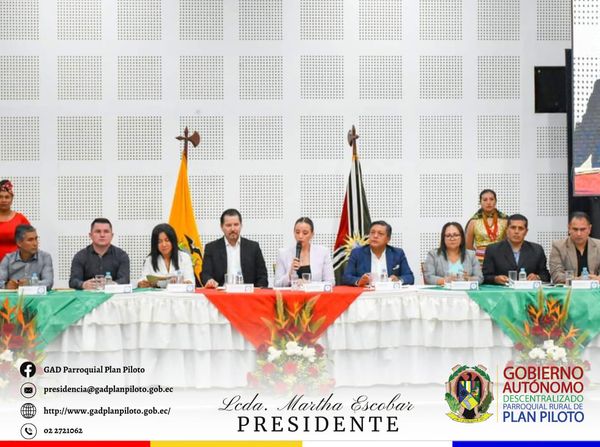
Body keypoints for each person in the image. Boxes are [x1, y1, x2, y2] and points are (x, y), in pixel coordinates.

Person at [201, 209, 268, 288]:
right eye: (228, 225)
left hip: (247, 293)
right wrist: (209, 281)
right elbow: (205, 274)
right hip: (221, 292)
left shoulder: (253, 247)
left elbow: (262, 276)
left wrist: (257, 290)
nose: (233, 229)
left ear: (241, 225)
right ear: (221, 227)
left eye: (236, 225)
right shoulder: (211, 248)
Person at [482, 214, 550, 284]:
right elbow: (485, 276)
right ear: (507, 230)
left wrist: (537, 277)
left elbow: (546, 276)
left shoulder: (537, 250)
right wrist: (495, 279)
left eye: (521, 228)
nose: (516, 232)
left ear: (526, 232)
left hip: (528, 290)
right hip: (503, 289)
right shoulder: (493, 249)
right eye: (513, 228)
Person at [342, 220, 414, 286]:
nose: (375, 236)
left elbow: (409, 277)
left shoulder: (397, 253)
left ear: (388, 239)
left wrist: (398, 280)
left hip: (389, 293)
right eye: (372, 232)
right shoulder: (357, 253)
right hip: (366, 293)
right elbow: (346, 277)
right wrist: (359, 281)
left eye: (380, 234)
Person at [69, 218, 130, 290]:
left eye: (106, 231)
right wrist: (83, 285)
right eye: (98, 231)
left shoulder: (122, 255)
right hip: (88, 296)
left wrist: (112, 285)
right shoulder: (80, 256)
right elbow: (73, 281)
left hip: (113, 295)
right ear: (90, 235)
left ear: (112, 235)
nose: (102, 235)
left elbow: (125, 279)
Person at [274, 217, 334, 287]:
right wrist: (290, 274)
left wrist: (308, 284)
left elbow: (330, 282)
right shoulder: (283, 253)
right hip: (291, 293)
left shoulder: (323, 252)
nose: (300, 236)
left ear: (312, 234)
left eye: (305, 233)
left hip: (314, 293)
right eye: (297, 232)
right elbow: (277, 284)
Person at [138, 223, 195, 288]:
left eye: (167, 240)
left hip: (179, 293)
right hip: (157, 294)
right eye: (159, 242)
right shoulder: (149, 260)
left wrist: (187, 283)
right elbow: (142, 279)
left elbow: (190, 280)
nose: (164, 245)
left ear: (173, 241)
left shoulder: (184, 257)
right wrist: (143, 284)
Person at [549, 211, 600, 283]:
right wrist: (578, 280)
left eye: (583, 229)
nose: (579, 234)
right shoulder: (558, 246)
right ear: (569, 228)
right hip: (570, 289)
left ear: (589, 229)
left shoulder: (598, 245)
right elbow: (556, 275)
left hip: (594, 288)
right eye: (575, 229)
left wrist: (597, 279)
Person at [0, 224, 53, 289]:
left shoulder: (45, 257)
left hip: (36, 295)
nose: (35, 243)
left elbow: (48, 283)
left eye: (36, 239)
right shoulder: (8, 259)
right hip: (15, 295)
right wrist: (6, 285)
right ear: (19, 243)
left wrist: (29, 283)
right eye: (30, 240)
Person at [465, 189, 508, 264]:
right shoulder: (473, 222)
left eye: (491, 199)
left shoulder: (505, 221)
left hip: (500, 260)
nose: (488, 202)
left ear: (495, 201)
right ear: (480, 202)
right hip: (480, 262)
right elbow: (468, 247)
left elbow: (508, 244)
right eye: (485, 200)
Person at [0, 179, 30, 262]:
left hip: (16, 265)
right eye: (0, 197)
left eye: (7, 197)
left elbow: (30, 242)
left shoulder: (20, 219)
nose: (3, 200)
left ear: (12, 199)